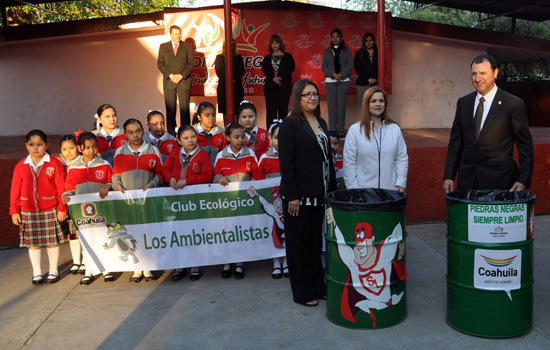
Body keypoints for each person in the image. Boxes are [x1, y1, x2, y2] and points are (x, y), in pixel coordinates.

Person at [278, 79, 337, 307]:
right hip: (298, 199)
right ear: (297, 98)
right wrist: (292, 195)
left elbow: (327, 161)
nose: (312, 98)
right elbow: (287, 162)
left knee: (315, 245)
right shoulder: (290, 124)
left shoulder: (320, 121)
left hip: (319, 197)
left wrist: (331, 193)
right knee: (298, 245)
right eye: (307, 94)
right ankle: (302, 293)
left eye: (315, 94)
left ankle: (318, 287)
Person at [443, 54, 534, 193]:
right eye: (474, 74)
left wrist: (523, 179)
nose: (477, 79)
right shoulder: (463, 103)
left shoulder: (513, 104)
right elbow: (455, 143)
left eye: (482, 73)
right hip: (467, 183)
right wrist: (449, 176)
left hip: (500, 183)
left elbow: (525, 146)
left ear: (495, 73)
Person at [10, 130, 68, 284]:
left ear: (46, 145)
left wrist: (62, 208)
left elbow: (62, 189)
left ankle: (54, 271)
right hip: (28, 211)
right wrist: (14, 210)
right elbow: (15, 190)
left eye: (40, 145)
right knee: (33, 244)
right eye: (32, 145)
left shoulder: (54, 164)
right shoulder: (21, 166)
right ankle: (36, 272)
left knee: (52, 241)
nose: (36, 148)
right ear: (26, 146)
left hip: (50, 209)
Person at [112, 119, 164, 283]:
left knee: (147, 233)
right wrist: (118, 186)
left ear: (143, 131)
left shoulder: (153, 150)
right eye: (131, 132)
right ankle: (136, 269)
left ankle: (148, 267)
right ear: (125, 134)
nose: (135, 135)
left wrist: (152, 184)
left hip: (147, 200)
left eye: (138, 131)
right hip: (127, 201)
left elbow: (160, 174)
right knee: (131, 233)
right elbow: (115, 176)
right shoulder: (120, 152)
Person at [163, 125, 213, 282]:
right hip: (176, 201)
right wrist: (170, 177)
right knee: (179, 232)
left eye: (193, 136)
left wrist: (188, 181)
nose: (190, 140)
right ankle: (180, 266)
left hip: (194, 201)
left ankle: (195, 266)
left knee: (193, 232)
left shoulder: (202, 155)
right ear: (178, 140)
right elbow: (165, 168)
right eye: (185, 138)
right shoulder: (175, 153)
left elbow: (208, 176)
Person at [62, 132, 112, 285]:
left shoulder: (104, 165)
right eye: (88, 147)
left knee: (103, 239)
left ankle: (106, 269)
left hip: (101, 210)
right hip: (81, 212)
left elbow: (111, 182)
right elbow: (69, 187)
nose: (92, 150)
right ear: (80, 148)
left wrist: (107, 186)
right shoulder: (74, 167)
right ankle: (89, 271)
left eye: (94, 147)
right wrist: (66, 195)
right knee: (86, 242)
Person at [213, 123, 260, 279]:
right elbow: (214, 176)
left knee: (242, 233)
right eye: (236, 137)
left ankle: (239, 263)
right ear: (227, 138)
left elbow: (257, 176)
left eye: (242, 137)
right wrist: (219, 177)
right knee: (228, 233)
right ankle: (227, 262)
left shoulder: (250, 154)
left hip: (245, 203)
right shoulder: (220, 156)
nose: (240, 140)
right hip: (227, 204)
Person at [343, 87, 408, 191]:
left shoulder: (394, 129)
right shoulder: (355, 130)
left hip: (390, 192)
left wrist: (401, 183)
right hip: (364, 195)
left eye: (381, 101)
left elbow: (401, 158)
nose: (378, 104)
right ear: (366, 104)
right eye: (373, 101)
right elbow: (349, 163)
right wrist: (355, 190)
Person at [256, 120, 289, 279]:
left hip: (290, 203)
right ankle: (276, 262)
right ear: (270, 138)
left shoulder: (293, 155)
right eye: (276, 137)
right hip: (274, 206)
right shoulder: (264, 158)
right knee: (275, 234)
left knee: (290, 233)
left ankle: (288, 261)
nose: (279, 141)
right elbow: (258, 179)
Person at [157, 25, 194, 135]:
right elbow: (160, 63)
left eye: (179, 33)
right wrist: (170, 75)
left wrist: (181, 76)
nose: (178, 35)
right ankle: (171, 136)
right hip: (169, 82)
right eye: (175, 33)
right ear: (170, 34)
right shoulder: (163, 47)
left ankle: (186, 134)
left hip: (184, 81)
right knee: (170, 111)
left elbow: (191, 63)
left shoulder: (187, 46)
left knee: (184, 110)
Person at [58, 134, 85, 275]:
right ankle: (76, 261)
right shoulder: (60, 165)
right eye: (64, 149)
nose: (68, 151)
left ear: (78, 148)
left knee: (83, 233)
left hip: (80, 203)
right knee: (73, 234)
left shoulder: (83, 163)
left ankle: (86, 261)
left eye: (71, 148)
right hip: (66, 204)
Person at [322, 28, 353, 139]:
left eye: (337, 36)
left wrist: (341, 74)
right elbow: (324, 66)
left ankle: (340, 131)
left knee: (341, 106)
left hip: (343, 81)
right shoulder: (327, 51)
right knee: (331, 106)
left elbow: (350, 65)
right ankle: (333, 130)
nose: (335, 39)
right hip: (330, 81)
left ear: (341, 38)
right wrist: (333, 74)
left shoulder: (347, 50)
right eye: (333, 37)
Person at [262, 34, 295, 127]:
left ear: (280, 44)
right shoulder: (267, 58)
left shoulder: (288, 56)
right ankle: (270, 133)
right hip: (270, 88)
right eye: (272, 43)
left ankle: (283, 132)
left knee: (283, 111)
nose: (275, 45)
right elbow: (265, 70)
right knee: (271, 111)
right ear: (270, 45)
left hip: (284, 87)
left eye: (277, 42)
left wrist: (280, 77)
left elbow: (291, 68)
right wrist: (273, 78)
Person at [215, 39, 245, 124]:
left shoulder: (238, 57)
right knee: (225, 109)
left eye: (232, 45)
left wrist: (233, 80)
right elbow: (218, 71)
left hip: (236, 86)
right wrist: (228, 81)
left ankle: (235, 127)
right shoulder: (219, 58)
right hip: (223, 86)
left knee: (236, 109)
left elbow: (241, 70)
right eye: (228, 45)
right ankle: (227, 129)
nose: (230, 47)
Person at [192, 101, 226, 166]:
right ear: (199, 117)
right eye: (207, 115)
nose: (211, 118)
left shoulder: (222, 133)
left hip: (217, 173)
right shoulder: (191, 132)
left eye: (213, 115)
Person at [354, 33, 379, 106]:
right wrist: (367, 79)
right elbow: (357, 68)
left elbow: (383, 66)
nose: (368, 43)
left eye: (370, 40)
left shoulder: (379, 52)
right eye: (366, 41)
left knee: (375, 106)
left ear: (374, 41)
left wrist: (375, 79)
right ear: (364, 42)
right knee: (363, 106)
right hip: (362, 84)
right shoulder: (359, 53)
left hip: (375, 84)